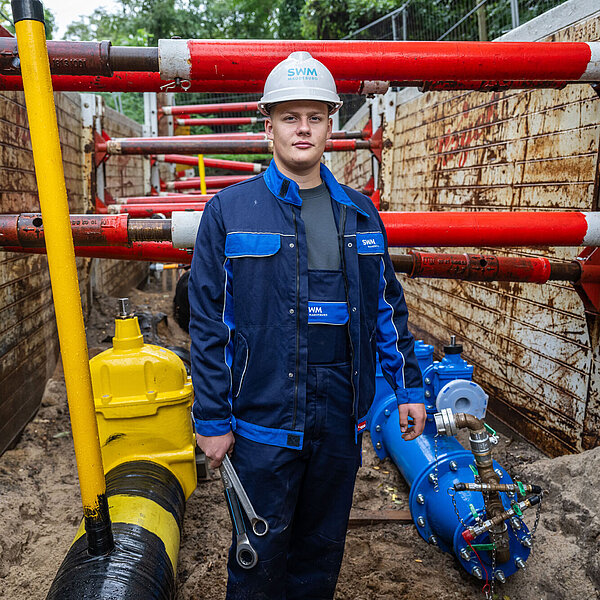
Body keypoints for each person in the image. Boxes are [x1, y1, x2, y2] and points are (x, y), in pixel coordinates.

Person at [189, 51, 425, 600]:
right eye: (290, 117)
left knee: (320, 554)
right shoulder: (230, 211)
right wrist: (211, 417)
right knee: (257, 558)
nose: (302, 129)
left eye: (314, 117)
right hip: (261, 419)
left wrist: (408, 387)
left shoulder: (361, 213)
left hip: (341, 417)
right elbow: (206, 322)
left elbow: (387, 307)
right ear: (267, 123)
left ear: (330, 123)